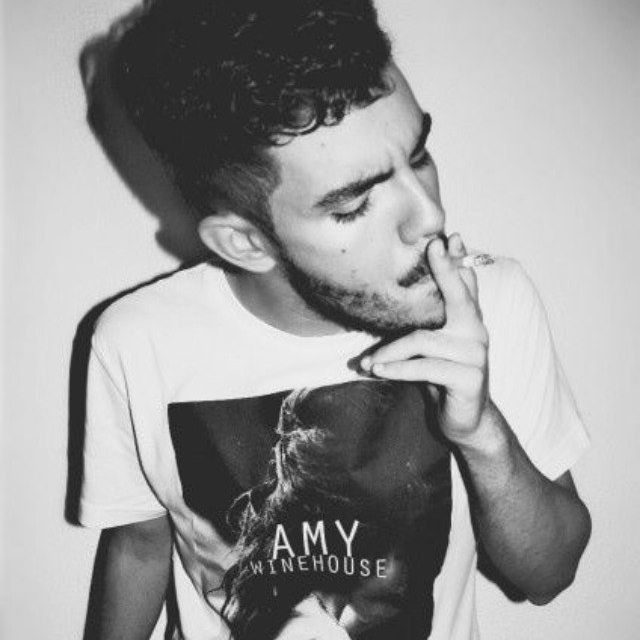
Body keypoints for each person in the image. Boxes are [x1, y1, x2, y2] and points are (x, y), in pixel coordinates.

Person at [78, 1, 592, 639]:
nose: (428, 217)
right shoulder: (136, 342)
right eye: (355, 203)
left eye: (419, 156)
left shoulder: (489, 302)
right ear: (246, 243)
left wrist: (481, 431)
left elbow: (549, 576)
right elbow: (138, 548)